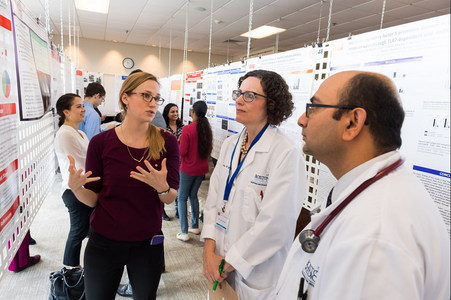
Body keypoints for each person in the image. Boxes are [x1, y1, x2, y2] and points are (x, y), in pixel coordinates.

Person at [275, 71, 450, 300]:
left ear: (352, 122)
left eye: (313, 107)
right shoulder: (378, 195)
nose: (301, 119)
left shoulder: (375, 236)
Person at [68, 71, 180, 300]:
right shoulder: (101, 143)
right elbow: (94, 199)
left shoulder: (167, 141)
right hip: (104, 241)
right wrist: (77, 188)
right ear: (125, 98)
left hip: (147, 242)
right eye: (146, 96)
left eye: (156, 98)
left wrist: (162, 187)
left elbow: (170, 197)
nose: (153, 104)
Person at [201, 70, 307, 299]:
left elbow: (276, 226)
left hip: (256, 275)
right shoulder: (230, 145)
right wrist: (209, 253)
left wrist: (227, 263)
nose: (239, 100)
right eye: (238, 93)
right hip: (218, 264)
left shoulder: (285, 153)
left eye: (249, 95)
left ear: (272, 104)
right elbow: (213, 201)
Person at [54, 93, 92, 268]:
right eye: (78, 106)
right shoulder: (65, 134)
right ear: (66, 112)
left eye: (82, 105)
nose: (83, 109)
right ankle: (71, 271)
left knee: (87, 230)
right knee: (78, 232)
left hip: (85, 188)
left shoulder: (81, 133)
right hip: (74, 190)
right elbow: (82, 164)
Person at [176, 101, 212, 242]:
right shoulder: (207, 129)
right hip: (201, 169)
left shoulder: (188, 129)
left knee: (182, 197)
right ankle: (195, 226)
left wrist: (179, 141)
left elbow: (182, 152)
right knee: (193, 195)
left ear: (193, 112)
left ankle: (184, 232)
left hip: (188, 169)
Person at [162, 103, 184, 220]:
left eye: (176, 111)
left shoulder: (183, 127)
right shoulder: (163, 127)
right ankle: (162, 211)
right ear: (167, 113)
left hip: (180, 162)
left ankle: (177, 209)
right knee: (163, 186)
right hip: (165, 161)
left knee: (177, 185)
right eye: (172, 112)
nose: (175, 114)